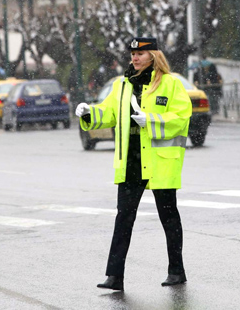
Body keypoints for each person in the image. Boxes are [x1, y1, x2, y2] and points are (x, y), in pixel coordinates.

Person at [75, 37, 192, 291]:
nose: (134, 58)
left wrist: (149, 120)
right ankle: (114, 276)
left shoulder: (170, 83)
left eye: (140, 53)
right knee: (124, 217)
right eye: (132, 53)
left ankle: (177, 270)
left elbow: (181, 117)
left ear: (153, 55)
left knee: (168, 215)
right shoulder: (123, 85)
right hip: (130, 160)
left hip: (160, 161)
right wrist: (88, 113)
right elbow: (108, 113)